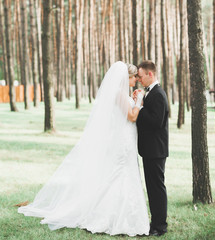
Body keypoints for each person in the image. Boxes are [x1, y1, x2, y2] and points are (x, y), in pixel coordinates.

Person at [18, 61, 149, 236]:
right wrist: (139, 101)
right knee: (120, 175)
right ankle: (110, 217)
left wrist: (133, 101)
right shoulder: (118, 94)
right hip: (123, 141)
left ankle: (125, 216)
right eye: (133, 77)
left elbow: (126, 113)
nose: (136, 81)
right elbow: (132, 117)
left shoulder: (121, 94)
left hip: (126, 138)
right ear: (127, 78)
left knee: (126, 175)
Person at [136, 60, 169, 236]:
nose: (139, 79)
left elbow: (156, 122)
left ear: (150, 74)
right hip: (150, 149)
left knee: (157, 188)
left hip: (156, 150)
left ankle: (160, 226)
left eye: (141, 76)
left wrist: (140, 109)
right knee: (152, 188)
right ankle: (155, 222)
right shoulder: (152, 93)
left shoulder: (158, 94)